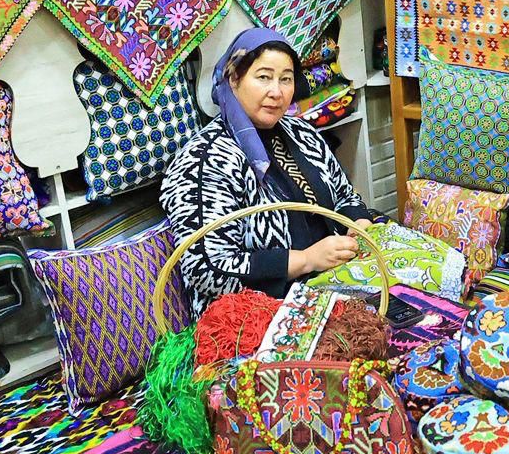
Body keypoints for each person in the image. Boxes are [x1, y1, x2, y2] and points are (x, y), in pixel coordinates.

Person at [161, 28, 388, 316]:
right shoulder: (205, 159)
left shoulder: (301, 133)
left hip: (330, 283)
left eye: (286, 79)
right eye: (263, 77)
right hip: (255, 314)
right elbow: (207, 268)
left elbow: (344, 196)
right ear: (234, 79)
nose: (276, 92)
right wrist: (306, 260)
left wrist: (359, 226)